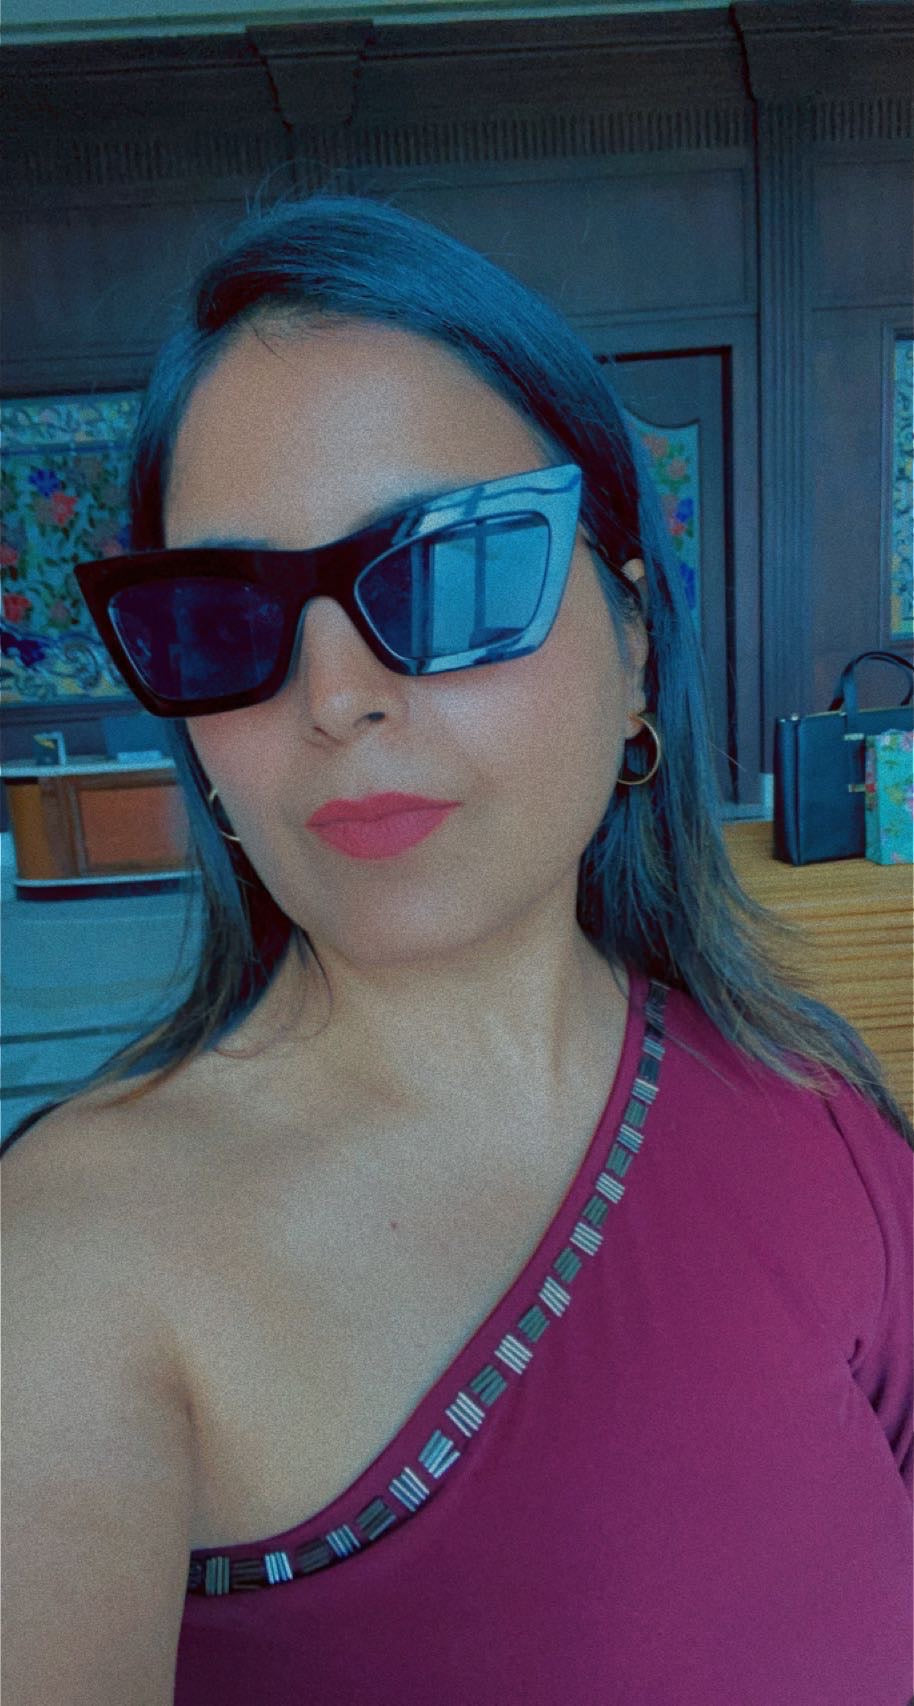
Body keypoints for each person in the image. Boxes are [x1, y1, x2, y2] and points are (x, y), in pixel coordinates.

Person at [3, 193, 911, 1706]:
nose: (334, 698)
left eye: (455, 568)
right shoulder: (69, 1269)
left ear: (633, 648)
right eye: (223, 615)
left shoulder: (808, 1101)